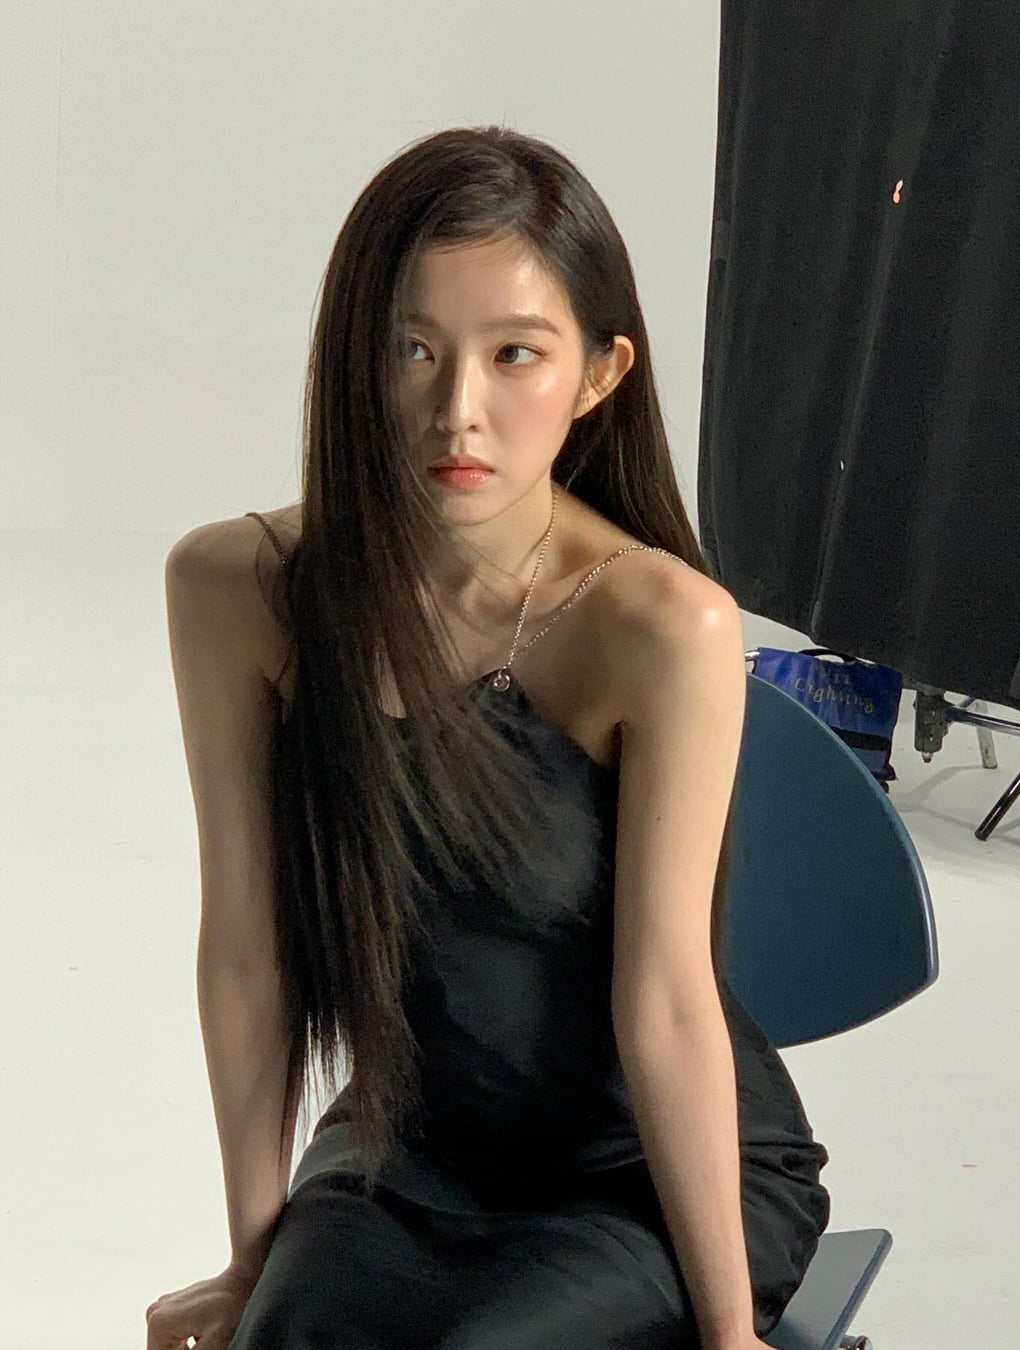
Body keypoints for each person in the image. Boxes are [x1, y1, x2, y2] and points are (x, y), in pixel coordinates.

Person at [148, 125, 829, 1350]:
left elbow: (667, 1000)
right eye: (411, 349)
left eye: (517, 354)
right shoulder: (235, 591)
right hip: (407, 1148)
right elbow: (248, 955)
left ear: (601, 373)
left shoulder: (658, 624)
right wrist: (252, 1264)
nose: (458, 412)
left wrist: (730, 1334)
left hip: (639, 1168)